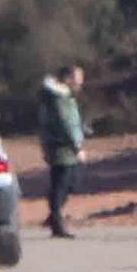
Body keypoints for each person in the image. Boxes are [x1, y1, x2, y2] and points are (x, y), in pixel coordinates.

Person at [38, 63, 86, 238]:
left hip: (65, 146)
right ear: (67, 79)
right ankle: (56, 222)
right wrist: (77, 146)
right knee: (62, 184)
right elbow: (65, 124)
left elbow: (71, 121)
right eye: (77, 80)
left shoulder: (65, 97)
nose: (80, 84)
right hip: (61, 148)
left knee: (70, 182)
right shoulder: (59, 99)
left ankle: (53, 216)